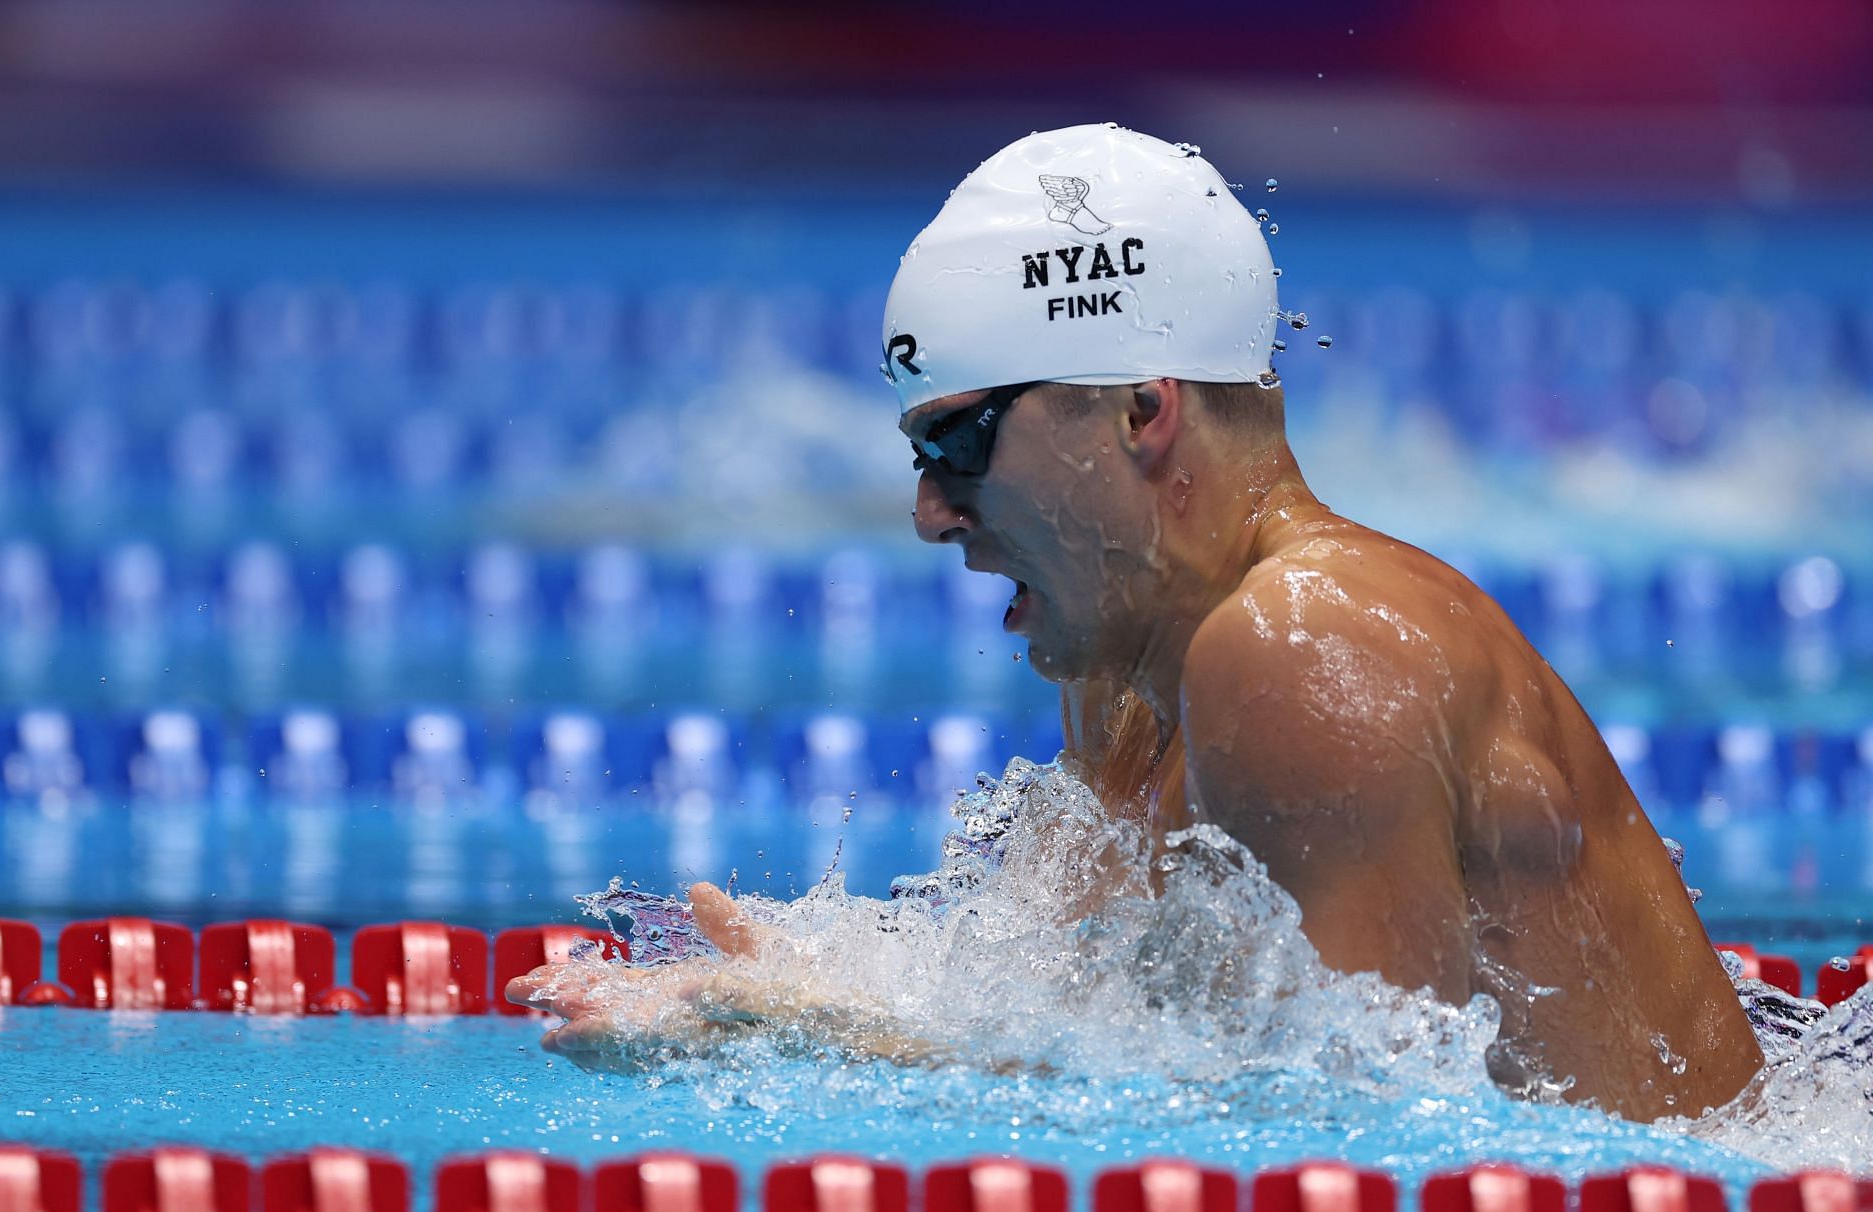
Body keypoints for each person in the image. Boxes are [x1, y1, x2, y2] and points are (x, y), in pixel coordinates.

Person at [510, 124, 1762, 1121]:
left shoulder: (1303, 650)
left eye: (959, 442)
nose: (930, 513)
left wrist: (822, 1036)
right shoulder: (1128, 672)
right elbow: (1105, 1031)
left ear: (1139, 409)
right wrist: (808, 984)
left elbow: (1347, 1139)